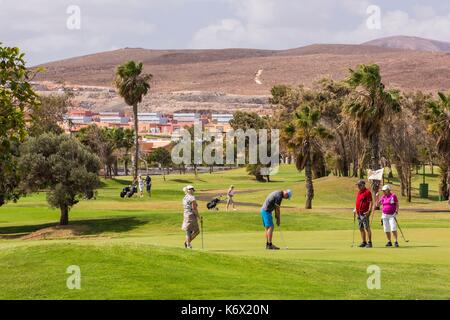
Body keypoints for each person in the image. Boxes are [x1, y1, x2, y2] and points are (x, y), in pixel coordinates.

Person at [354, 180, 373, 248]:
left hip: (364, 213)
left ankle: (369, 242)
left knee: (366, 227)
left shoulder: (367, 192)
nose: (358, 186)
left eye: (360, 185)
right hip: (359, 213)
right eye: (358, 185)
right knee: (361, 228)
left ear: (363, 185)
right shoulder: (359, 192)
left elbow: (371, 202)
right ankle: (364, 242)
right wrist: (355, 209)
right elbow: (358, 202)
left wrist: (369, 210)